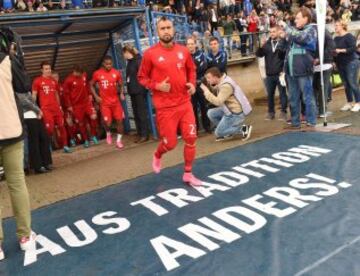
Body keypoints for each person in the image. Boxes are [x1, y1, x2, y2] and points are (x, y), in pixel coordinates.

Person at [138, 16, 202, 186]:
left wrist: (192, 84)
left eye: (168, 27)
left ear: (173, 29)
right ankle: (158, 155)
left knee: (191, 138)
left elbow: (191, 70)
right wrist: (157, 85)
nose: (166, 31)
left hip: (184, 103)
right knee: (171, 144)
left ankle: (188, 173)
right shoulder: (150, 54)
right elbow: (142, 78)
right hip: (165, 107)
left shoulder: (184, 50)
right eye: (162, 28)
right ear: (157, 32)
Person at [0, 28, 36, 260]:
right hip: (10, 129)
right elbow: (24, 85)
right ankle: (24, 237)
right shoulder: (6, 59)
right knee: (16, 183)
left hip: (10, 129)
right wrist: (13, 55)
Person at [279, 7, 318, 129]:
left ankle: (311, 121)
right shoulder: (294, 31)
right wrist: (282, 37)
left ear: (306, 19)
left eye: (298, 18)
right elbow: (283, 48)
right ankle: (295, 122)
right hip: (291, 71)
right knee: (293, 98)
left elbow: (301, 38)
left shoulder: (311, 29)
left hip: (304, 70)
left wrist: (287, 28)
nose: (295, 20)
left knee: (307, 97)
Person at [200, 67, 253, 141]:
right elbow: (217, 89)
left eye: (209, 78)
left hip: (235, 114)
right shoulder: (223, 80)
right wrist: (207, 86)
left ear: (215, 77)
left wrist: (206, 91)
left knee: (218, 132)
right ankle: (228, 132)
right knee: (211, 113)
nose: (207, 80)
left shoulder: (226, 86)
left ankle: (243, 129)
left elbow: (218, 101)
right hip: (228, 110)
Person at [32, 62, 72, 152]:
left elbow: (56, 94)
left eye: (49, 69)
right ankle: (48, 145)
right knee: (49, 129)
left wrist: (60, 107)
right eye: (46, 69)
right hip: (46, 109)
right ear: (41, 70)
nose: (48, 70)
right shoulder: (37, 81)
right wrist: (34, 109)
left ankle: (65, 146)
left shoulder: (53, 81)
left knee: (62, 126)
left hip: (56, 108)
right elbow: (34, 95)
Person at [90, 56, 125, 149]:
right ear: (103, 64)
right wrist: (96, 96)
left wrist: (121, 93)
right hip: (105, 103)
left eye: (110, 64)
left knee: (120, 121)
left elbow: (121, 84)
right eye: (107, 64)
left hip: (116, 102)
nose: (109, 65)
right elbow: (91, 85)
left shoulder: (116, 73)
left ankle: (118, 141)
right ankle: (108, 133)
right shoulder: (97, 73)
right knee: (107, 123)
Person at [256, 25, 288, 121]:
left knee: (282, 93)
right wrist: (260, 47)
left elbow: (285, 55)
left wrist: (284, 70)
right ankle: (271, 112)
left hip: (280, 73)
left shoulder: (283, 42)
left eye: (274, 31)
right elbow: (259, 54)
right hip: (269, 74)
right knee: (270, 94)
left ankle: (283, 112)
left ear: (278, 32)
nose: (272, 33)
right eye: (270, 32)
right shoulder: (267, 44)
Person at [63, 65, 99, 148]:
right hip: (77, 105)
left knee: (93, 117)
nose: (80, 75)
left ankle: (93, 136)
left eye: (81, 73)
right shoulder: (68, 80)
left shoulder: (84, 75)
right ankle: (86, 140)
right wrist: (69, 106)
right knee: (81, 123)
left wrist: (89, 94)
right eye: (78, 73)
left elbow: (87, 85)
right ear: (74, 71)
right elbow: (66, 94)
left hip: (86, 103)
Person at [122, 45, 149, 143]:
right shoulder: (130, 62)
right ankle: (140, 133)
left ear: (127, 52)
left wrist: (142, 89)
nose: (123, 55)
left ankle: (145, 134)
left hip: (139, 91)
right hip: (133, 91)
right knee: (136, 113)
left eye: (124, 53)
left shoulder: (138, 61)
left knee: (141, 113)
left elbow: (143, 76)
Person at [186, 37, 211, 133]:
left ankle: (207, 126)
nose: (190, 46)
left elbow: (203, 67)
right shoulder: (185, 56)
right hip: (190, 86)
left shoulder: (201, 55)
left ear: (195, 45)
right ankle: (195, 129)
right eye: (188, 44)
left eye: (192, 44)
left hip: (201, 84)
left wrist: (192, 69)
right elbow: (185, 71)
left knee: (204, 105)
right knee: (193, 108)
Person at [334, 20, 360, 112]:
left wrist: (340, 50)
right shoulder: (336, 38)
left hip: (351, 62)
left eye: (337, 25)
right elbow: (334, 50)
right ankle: (350, 102)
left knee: (352, 83)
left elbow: (353, 49)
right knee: (346, 84)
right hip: (341, 63)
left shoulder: (349, 36)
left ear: (342, 26)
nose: (335, 27)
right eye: (335, 25)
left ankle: (358, 102)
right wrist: (335, 62)